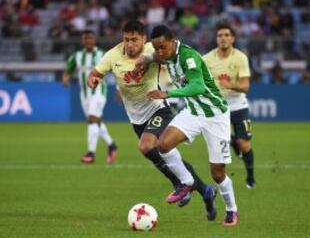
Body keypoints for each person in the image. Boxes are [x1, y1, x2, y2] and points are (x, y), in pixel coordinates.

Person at [87, 20, 217, 219]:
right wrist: (94, 79)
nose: (130, 44)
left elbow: (175, 53)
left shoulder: (154, 49)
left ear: (144, 39)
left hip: (158, 109)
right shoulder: (113, 55)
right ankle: (205, 190)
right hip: (136, 117)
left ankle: (179, 184)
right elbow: (95, 73)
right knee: (169, 156)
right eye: (126, 40)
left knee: (146, 146)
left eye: (134, 40)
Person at [136, 25, 238, 226]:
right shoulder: (165, 54)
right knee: (163, 144)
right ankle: (187, 182)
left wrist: (169, 94)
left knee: (217, 173)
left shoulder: (188, 56)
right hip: (193, 112)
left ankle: (231, 209)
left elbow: (198, 86)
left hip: (215, 115)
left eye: (163, 47)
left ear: (173, 42)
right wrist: (146, 59)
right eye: (156, 48)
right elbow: (157, 57)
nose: (160, 52)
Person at [202, 23, 256, 189]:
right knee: (219, 141)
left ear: (232, 38)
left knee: (244, 144)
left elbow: (246, 86)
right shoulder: (206, 59)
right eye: (220, 35)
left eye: (226, 35)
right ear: (216, 39)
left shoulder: (240, 58)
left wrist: (229, 84)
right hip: (217, 106)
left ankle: (250, 176)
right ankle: (231, 140)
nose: (223, 38)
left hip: (238, 104)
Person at [63, 30, 117, 164]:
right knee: (96, 120)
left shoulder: (103, 54)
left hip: (99, 91)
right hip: (84, 94)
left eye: (90, 38)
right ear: (82, 41)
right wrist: (66, 78)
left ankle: (90, 153)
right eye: (85, 39)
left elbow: (116, 70)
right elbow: (68, 70)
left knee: (92, 119)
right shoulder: (77, 56)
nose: (88, 41)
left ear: (94, 40)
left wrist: (119, 88)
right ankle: (111, 145)